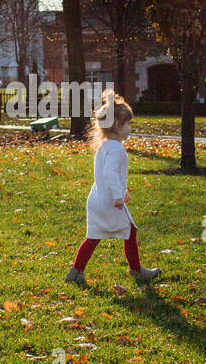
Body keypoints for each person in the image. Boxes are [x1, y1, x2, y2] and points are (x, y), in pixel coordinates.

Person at [65, 89, 160, 289]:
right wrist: (118, 196)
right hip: (110, 202)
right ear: (117, 125)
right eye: (129, 123)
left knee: (93, 237)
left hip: (97, 199)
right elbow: (110, 174)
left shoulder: (105, 146)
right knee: (130, 231)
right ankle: (137, 270)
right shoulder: (116, 148)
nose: (130, 128)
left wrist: (120, 192)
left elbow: (106, 175)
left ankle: (75, 272)